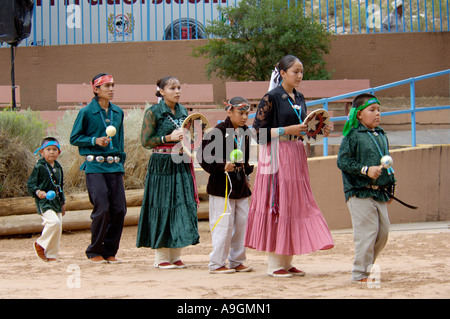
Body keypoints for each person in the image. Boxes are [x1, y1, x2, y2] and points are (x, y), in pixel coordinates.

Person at [244, 55, 334, 278]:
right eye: (295, 71)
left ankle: (287, 259)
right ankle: (275, 262)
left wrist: (316, 131)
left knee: (293, 203)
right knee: (279, 202)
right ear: (282, 73)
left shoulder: (300, 97)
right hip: (276, 153)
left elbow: (303, 128)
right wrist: (287, 131)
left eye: (302, 71)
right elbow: (256, 132)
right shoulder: (271, 97)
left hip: (296, 154)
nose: (300, 76)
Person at [136, 76, 199, 269]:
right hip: (161, 164)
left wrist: (189, 143)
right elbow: (146, 141)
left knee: (181, 205)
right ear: (161, 91)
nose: (177, 91)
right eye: (172, 88)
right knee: (162, 205)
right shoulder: (153, 112)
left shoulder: (183, 111)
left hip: (181, 162)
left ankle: (175, 254)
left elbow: (190, 135)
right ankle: (161, 257)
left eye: (179, 87)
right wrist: (167, 137)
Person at [337, 93, 396, 283]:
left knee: (383, 232)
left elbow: (385, 163)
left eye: (379, 110)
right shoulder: (352, 135)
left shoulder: (381, 134)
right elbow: (343, 161)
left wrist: (390, 186)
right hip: (359, 192)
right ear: (359, 114)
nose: (377, 114)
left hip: (378, 192)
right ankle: (360, 273)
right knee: (367, 233)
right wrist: (365, 170)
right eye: (372, 110)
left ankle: (366, 267)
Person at [70, 73, 127, 264]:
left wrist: (122, 166)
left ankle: (110, 251)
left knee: (119, 209)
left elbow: (120, 141)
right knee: (102, 207)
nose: (111, 89)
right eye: (106, 86)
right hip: (94, 166)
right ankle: (94, 251)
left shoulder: (118, 112)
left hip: (115, 166)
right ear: (95, 89)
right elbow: (74, 138)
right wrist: (94, 140)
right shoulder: (86, 112)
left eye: (113, 85)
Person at [198, 97, 254, 274]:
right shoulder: (218, 131)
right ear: (229, 112)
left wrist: (247, 176)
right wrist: (223, 166)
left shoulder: (245, 132)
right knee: (224, 224)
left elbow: (245, 158)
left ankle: (237, 260)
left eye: (246, 113)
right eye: (241, 113)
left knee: (241, 223)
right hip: (221, 186)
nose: (244, 117)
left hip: (240, 186)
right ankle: (216, 263)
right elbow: (203, 156)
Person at [28, 137, 65, 262]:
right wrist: (39, 192)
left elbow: (61, 187)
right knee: (53, 222)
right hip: (44, 202)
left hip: (57, 202)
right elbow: (31, 184)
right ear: (42, 152)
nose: (51, 152)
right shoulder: (39, 167)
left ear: (58, 152)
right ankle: (40, 244)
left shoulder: (59, 168)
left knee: (58, 227)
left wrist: (63, 203)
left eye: (55, 149)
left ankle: (51, 255)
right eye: (48, 149)